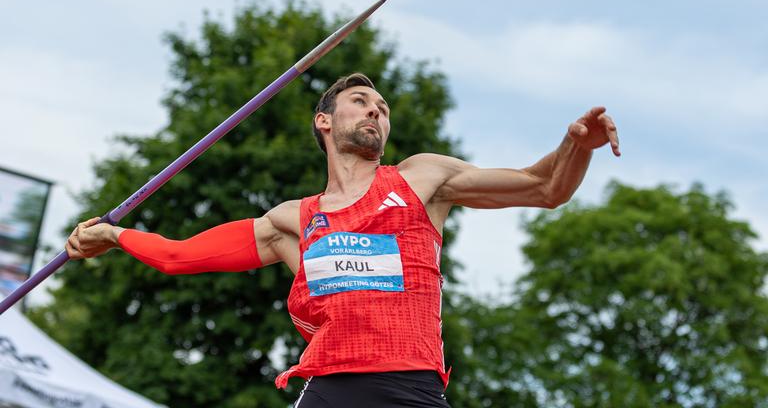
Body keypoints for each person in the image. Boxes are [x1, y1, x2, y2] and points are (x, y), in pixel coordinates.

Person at [65, 73, 620, 407]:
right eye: (361, 103)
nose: (375, 111)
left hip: (412, 388)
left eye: (382, 109)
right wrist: (114, 234)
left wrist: (578, 146)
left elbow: (543, 187)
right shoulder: (291, 222)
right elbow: (180, 256)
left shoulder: (421, 179)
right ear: (324, 121)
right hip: (334, 389)